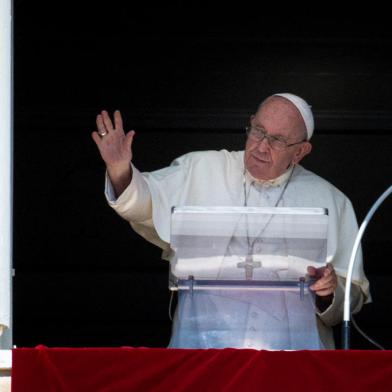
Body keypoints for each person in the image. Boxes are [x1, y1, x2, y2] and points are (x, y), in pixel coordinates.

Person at [92, 93, 370, 349]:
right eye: (258, 131)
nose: (261, 146)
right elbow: (145, 201)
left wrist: (329, 291)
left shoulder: (331, 200)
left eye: (277, 140)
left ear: (300, 151)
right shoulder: (201, 168)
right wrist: (119, 169)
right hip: (203, 349)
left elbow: (352, 297)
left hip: (291, 357)